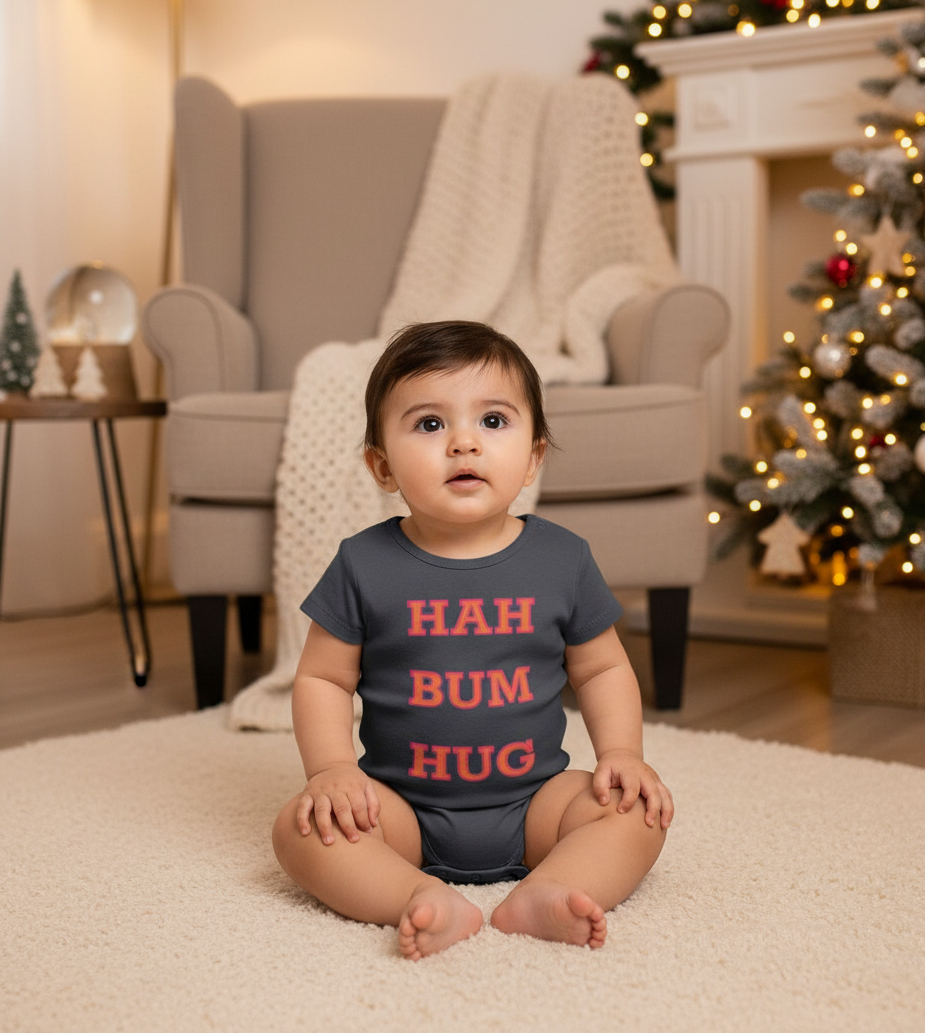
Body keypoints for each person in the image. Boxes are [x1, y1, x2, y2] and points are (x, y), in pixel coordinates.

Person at [272, 320, 673, 961]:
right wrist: (332, 771)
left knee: (636, 812)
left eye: (492, 422)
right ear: (381, 465)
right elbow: (323, 677)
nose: (463, 443)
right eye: (429, 425)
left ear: (534, 455)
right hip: (401, 807)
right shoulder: (362, 563)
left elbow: (601, 671)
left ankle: (551, 889)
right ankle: (414, 897)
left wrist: (622, 753)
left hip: (536, 801)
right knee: (300, 830)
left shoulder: (563, 559)